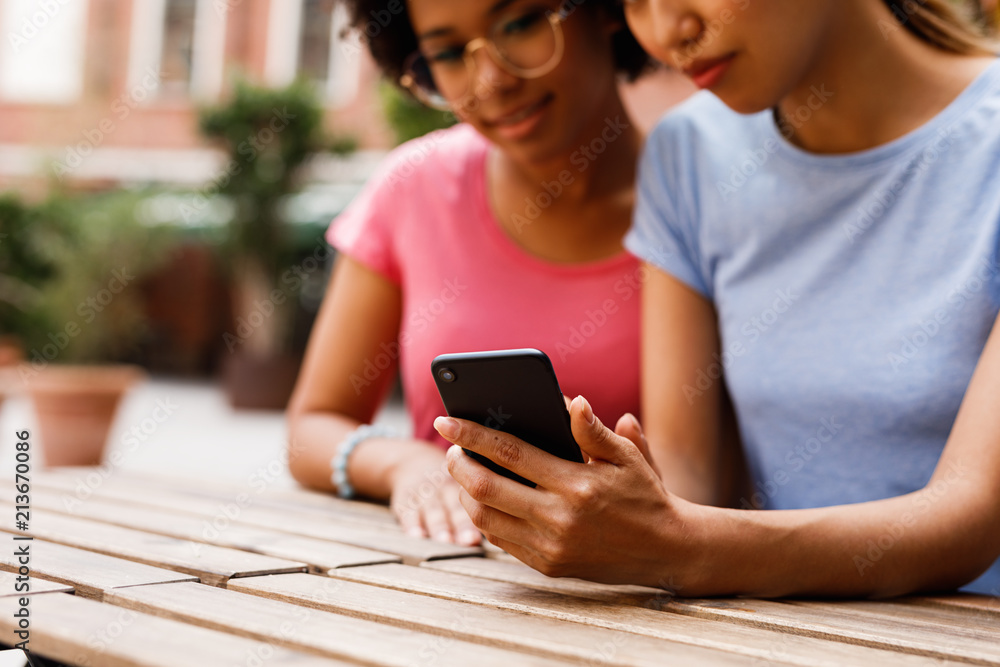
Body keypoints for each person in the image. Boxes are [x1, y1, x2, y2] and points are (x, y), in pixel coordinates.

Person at [437, 0, 1000, 597]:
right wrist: (616, 506)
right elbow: (689, 482)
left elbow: (969, 521)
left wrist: (681, 546)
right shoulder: (691, 152)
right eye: (635, 3)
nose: (666, 32)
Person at [287, 0, 654, 545]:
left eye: (521, 24)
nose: (492, 79)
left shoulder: (699, 201)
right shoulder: (414, 187)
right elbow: (311, 427)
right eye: (448, 53)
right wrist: (404, 465)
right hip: (447, 579)